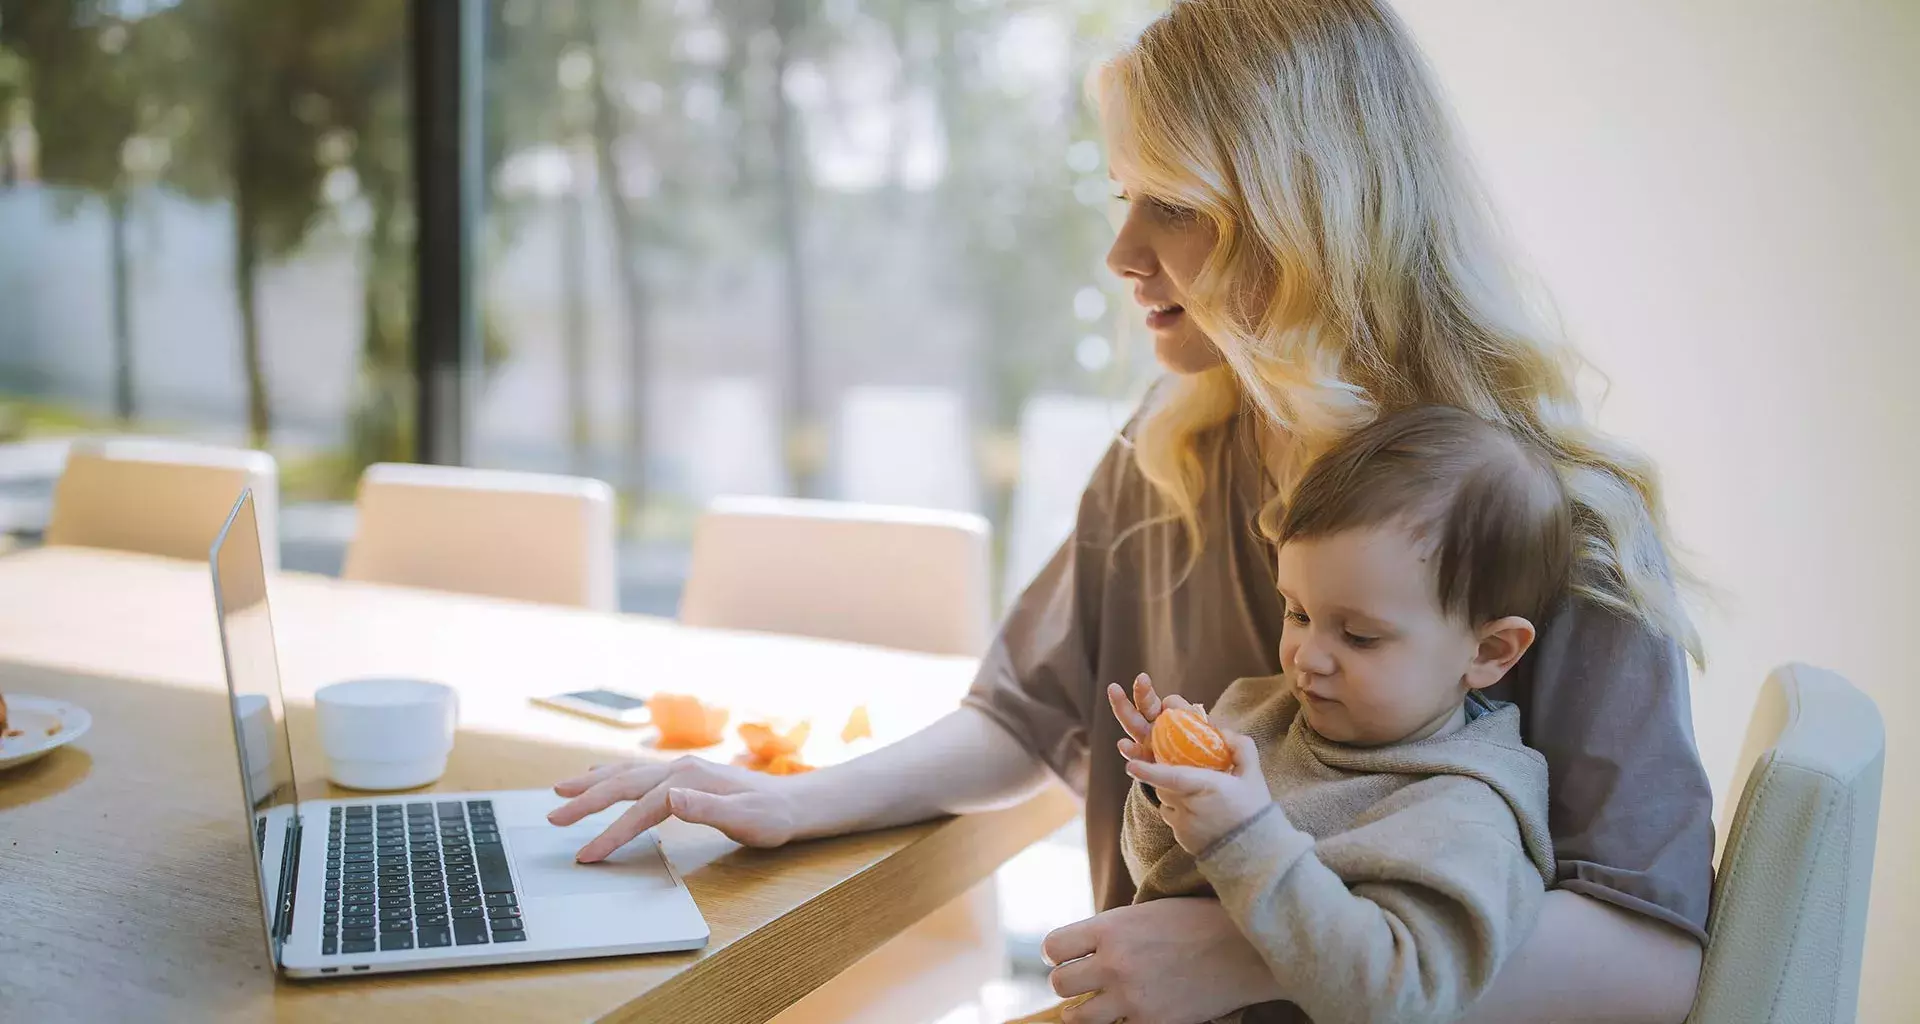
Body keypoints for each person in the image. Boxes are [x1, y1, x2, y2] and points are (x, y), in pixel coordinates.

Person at [546, 1, 1716, 1021]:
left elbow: (1650, 957)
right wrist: (796, 800)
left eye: (1172, 205)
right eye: (1121, 197)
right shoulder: (1170, 450)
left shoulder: (1560, 521)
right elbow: (1025, 715)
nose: (1119, 250)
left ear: (1305, 213)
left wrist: (1249, 955)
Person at [1107, 405, 1568, 1024]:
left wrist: (1245, 838)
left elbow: (1396, 998)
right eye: (1297, 613)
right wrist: (1167, 790)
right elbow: (1160, 876)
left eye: (1359, 636)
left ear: (1487, 652)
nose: (1308, 657)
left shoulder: (1462, 814)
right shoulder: (1258, 713)